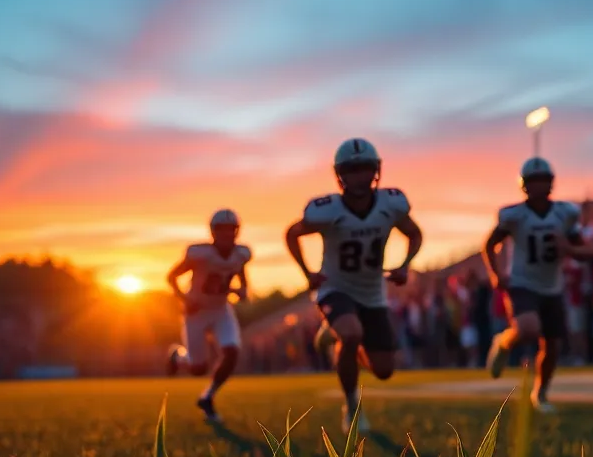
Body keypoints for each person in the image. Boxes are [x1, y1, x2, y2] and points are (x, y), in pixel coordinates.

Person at [285, 138, 424, 433]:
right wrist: (307, 272)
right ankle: (351, 405)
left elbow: (414, 233)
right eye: (352, 170)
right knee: (351, 333)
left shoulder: (391, 204)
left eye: (365, 169)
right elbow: (292, 233)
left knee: (384, 370)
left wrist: (405, 264)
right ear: (340, 175)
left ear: (376, 170)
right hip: (335, 288)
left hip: (373, 293)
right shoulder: (327, 209)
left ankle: (333, 333)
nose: (359, 176)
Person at [482, 157, 593, 413]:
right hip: (523, 282)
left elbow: (589, 251)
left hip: (552, 286)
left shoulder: (564, 214)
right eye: (534, 181)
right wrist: (496, 273)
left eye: (543, 180)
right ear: (525, 185)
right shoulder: (515, 215)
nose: (539, 186)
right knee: (528, 328)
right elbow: (489, 244)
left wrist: (568, 247)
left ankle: (541, 394)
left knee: (552, 346)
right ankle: (503, 342)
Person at [164, 209, 252, 423]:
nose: (227, 235)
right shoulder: (199, 254)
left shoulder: (241, 253)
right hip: (196, 312)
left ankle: (208, 396)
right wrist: (185, 300)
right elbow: (172, 276)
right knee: (198, 368)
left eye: (231, 230)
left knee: (232, 352)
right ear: (213, 232)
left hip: (221, 310)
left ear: (237, 231)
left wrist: (243, 289)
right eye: (222, 230)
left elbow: (240, 272)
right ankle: (178, 357)